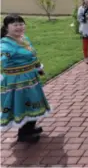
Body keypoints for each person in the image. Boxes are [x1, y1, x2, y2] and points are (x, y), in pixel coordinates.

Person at [0, 14, 51, 143]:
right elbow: (3, 55)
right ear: (7, 28)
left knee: (34, 103)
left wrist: (39, 68)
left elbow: (32, 55)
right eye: (15, 25)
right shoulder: (6, 44)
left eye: (21, 24)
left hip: (30, 78)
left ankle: (30, 128)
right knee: (22, 106)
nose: (19, 27)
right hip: (17, 82)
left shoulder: (24, 38)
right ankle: (23, 134)